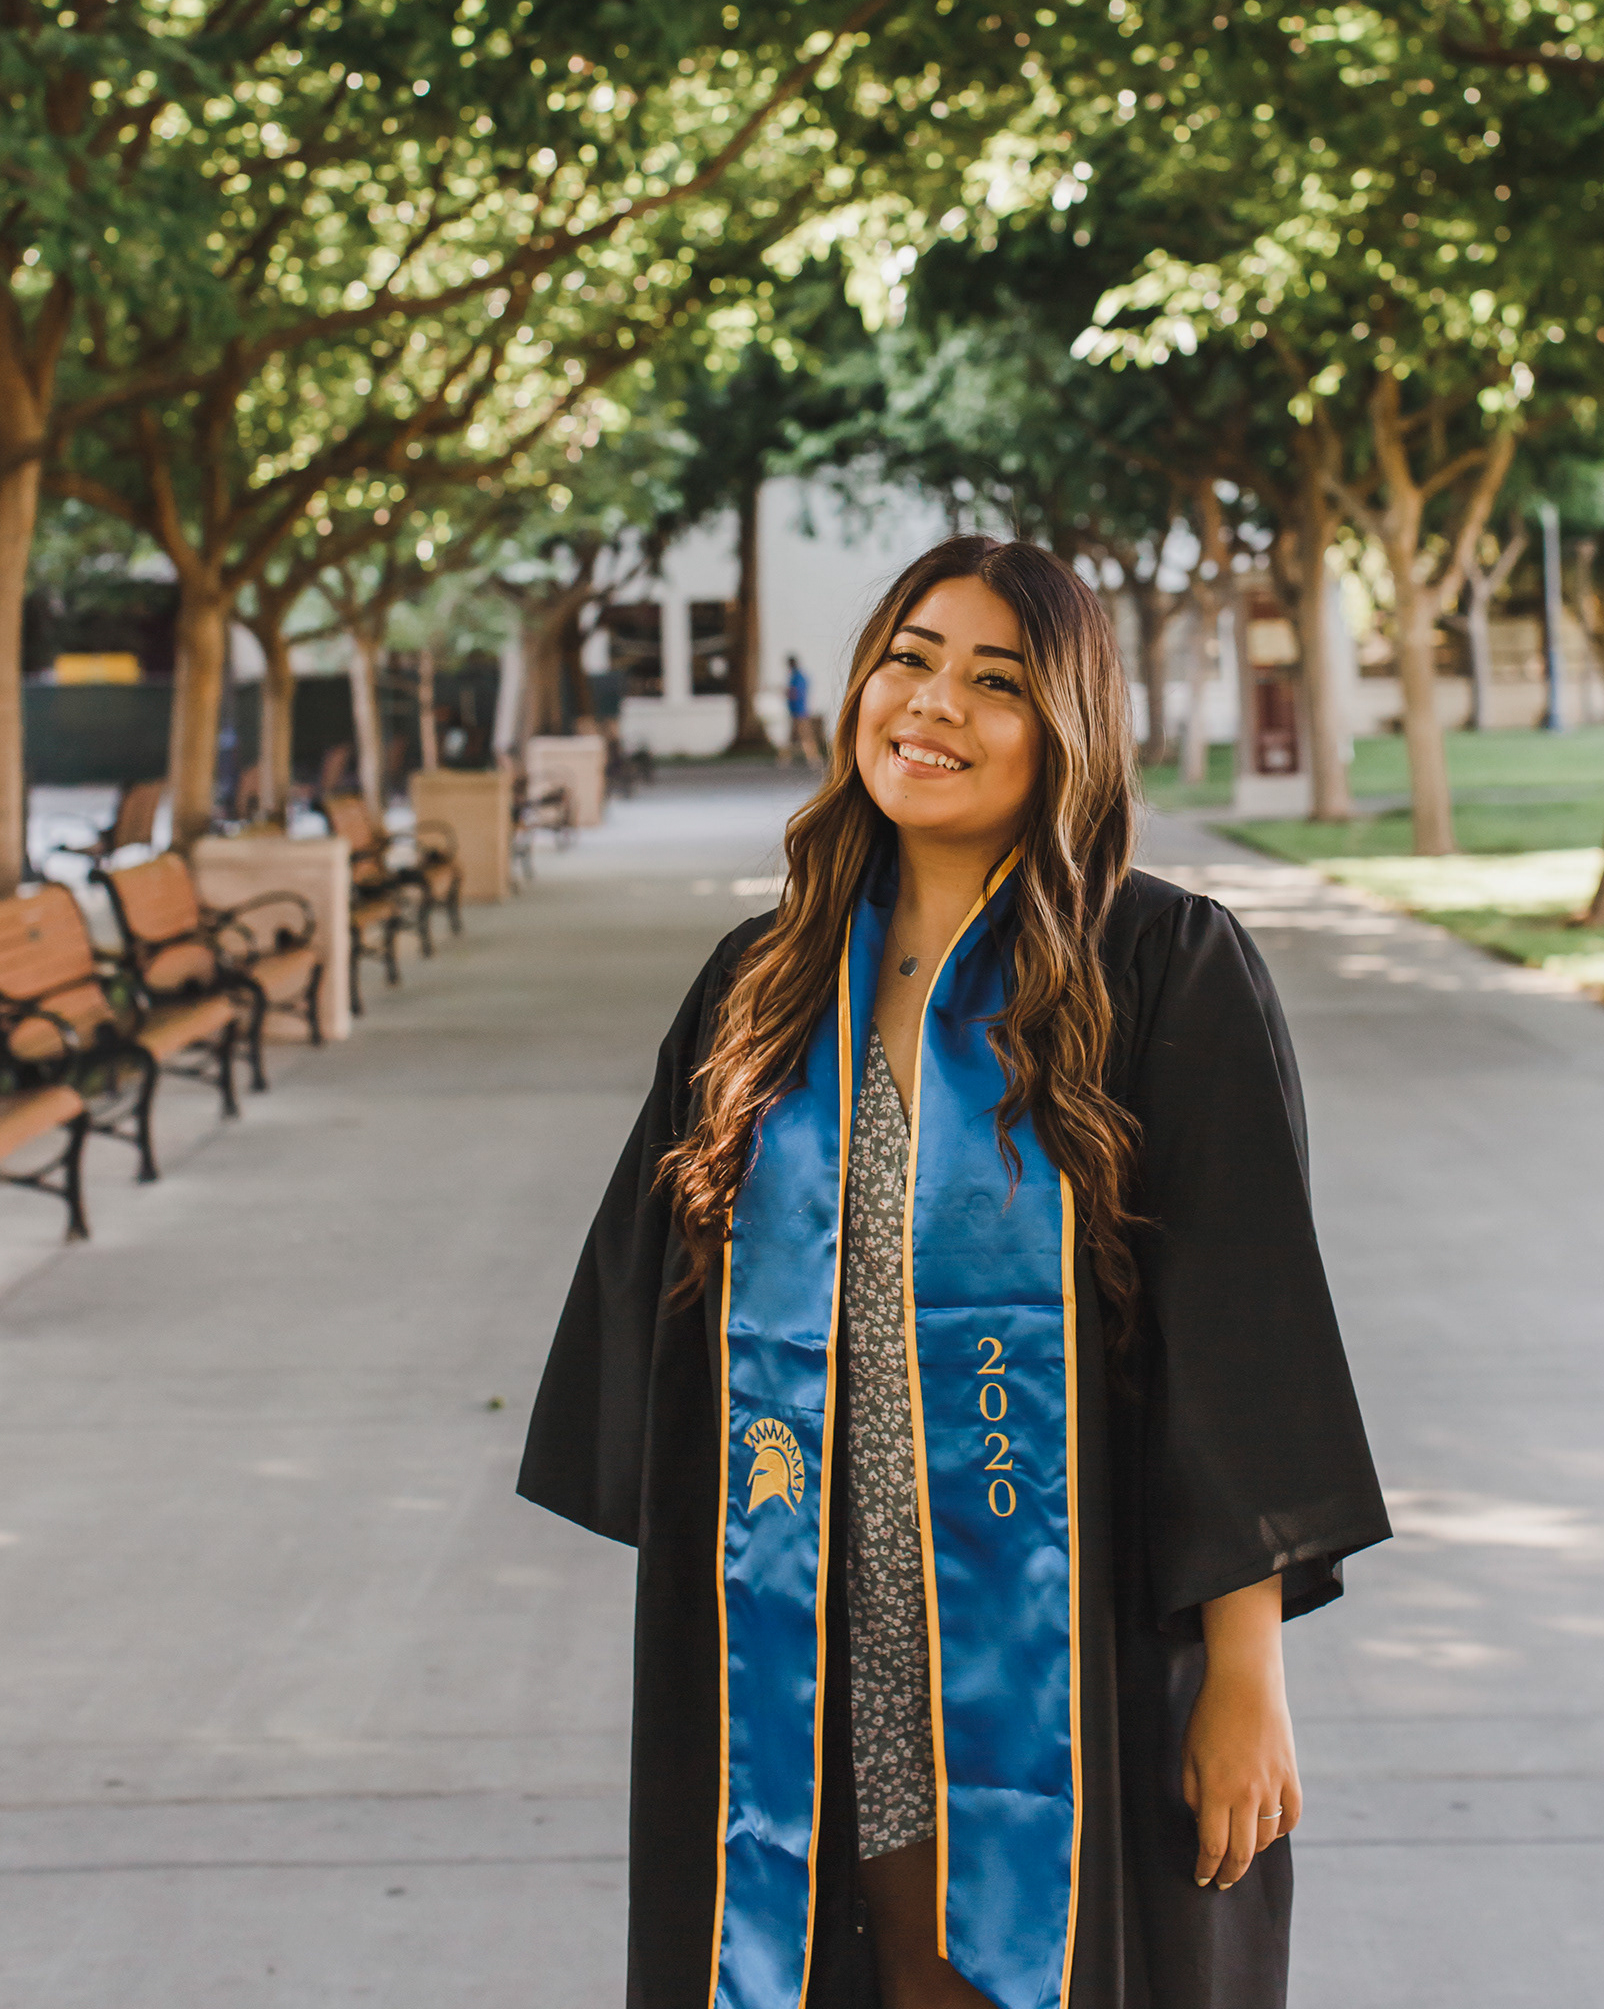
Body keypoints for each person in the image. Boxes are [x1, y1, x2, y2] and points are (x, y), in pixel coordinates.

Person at [520, 535, 1389, 2009]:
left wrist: (1249, 1674)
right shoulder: (765, 981)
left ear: (1069, 727)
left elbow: (1244, 1341)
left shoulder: (1161, 969)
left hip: (1062, 1637)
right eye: (909, 660)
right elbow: (658, 1321)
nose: (931, 706)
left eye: (995, 681)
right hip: (808, 1640)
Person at [785, 651, 823, 768]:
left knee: (805, 736)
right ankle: (785, 759)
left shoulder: (798, 677)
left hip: (800, 711)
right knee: (792, 738)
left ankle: (814, 759)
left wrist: (785, 692)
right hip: (796, 711)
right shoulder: (797, 676)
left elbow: (796, 693)